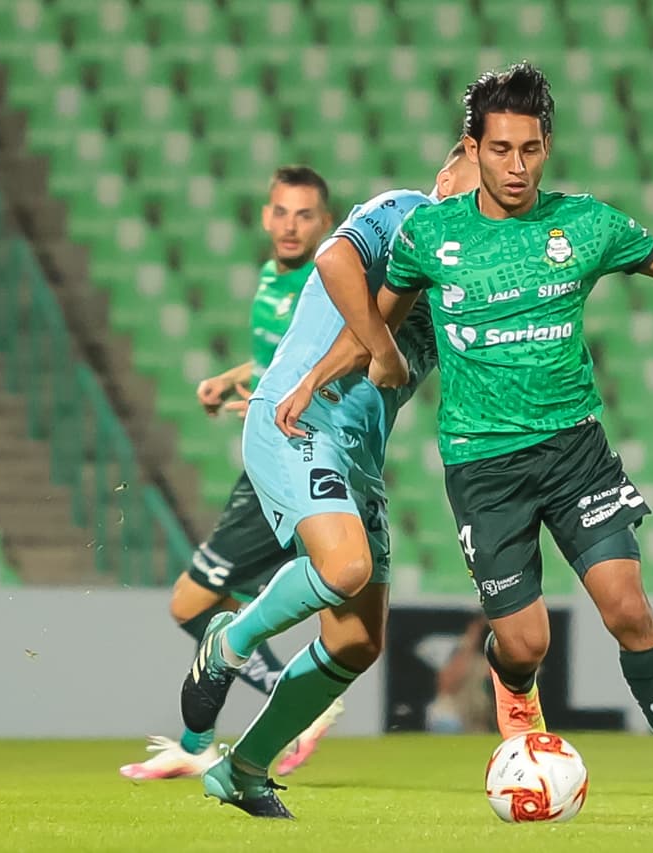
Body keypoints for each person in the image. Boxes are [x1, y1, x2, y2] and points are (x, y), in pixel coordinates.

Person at [297, 62, 653, 824]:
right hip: (483, 465)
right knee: (525, 640)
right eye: (502, 149)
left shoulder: (582, 226)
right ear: (471, 148)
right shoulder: (430, 235)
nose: (517, 167)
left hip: (575, 451)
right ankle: (514, 685)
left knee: (628, 609)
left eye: (532, 149)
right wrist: (310, 381)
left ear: (548, 147)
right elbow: (372, 323)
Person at [178, 144, 480, 818]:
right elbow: (333, 260)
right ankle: (229, 641)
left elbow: (374, 334)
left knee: (356, 640)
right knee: (345, 566)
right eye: (480, 177)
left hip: (357, 453)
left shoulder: (463, 274)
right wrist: (369, 356)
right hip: (297, 417)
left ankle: (244, 770)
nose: (484, 199)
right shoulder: (402, 213)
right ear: (452, 166)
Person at [121, 165, 343, 781]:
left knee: (191, 603)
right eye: (281, 211)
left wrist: (279, 400)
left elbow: (335, 355)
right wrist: (238, 379)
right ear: (266, 215)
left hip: (288, 455)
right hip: (271, 451)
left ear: (325, 223)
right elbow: (281, 355)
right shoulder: (275, 281)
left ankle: (246, 722)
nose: (291, 225)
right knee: (243, 600)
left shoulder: (323, 283)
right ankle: (221, 736)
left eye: (305, 214)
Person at [425, 616, 495, 734]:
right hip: (454, 717)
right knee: (446, 718)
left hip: (480, 721)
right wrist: (470, 641)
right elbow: (446, 685)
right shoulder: (458, 654)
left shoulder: (491, 661)